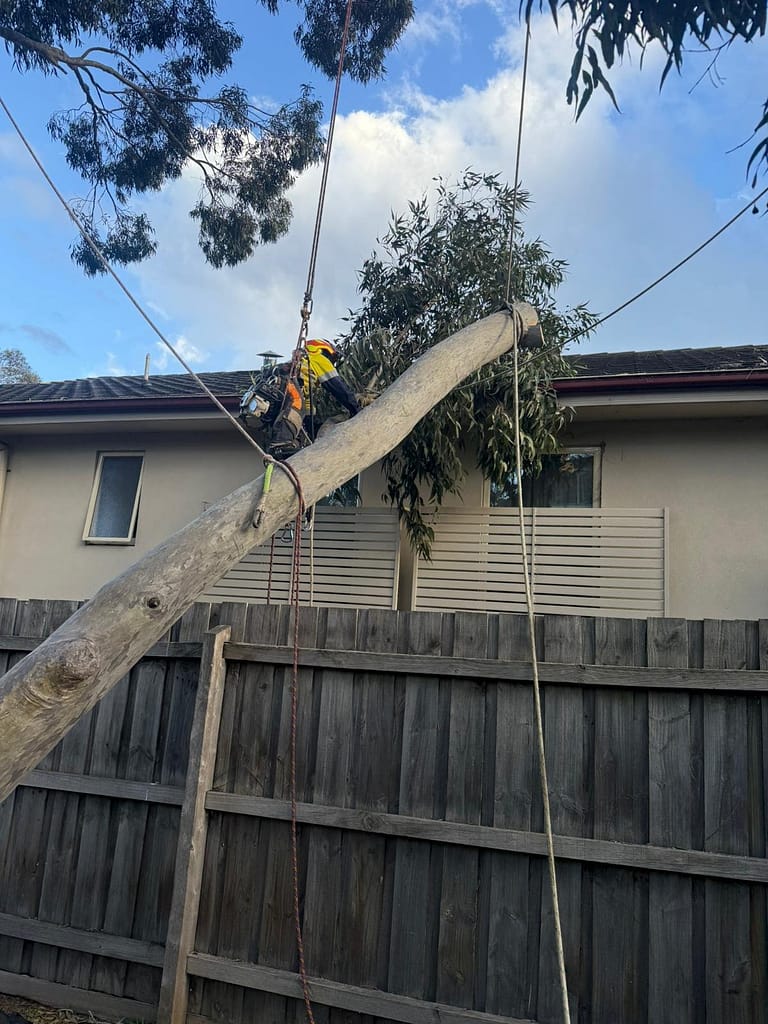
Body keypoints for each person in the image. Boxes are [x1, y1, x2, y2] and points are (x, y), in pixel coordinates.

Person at [268, 338, 360, 458]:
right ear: (324, 350)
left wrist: (314, 435)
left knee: (301, 410)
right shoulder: (318, 358)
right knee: (296, 404)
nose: (332, 362)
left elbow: (308, 411)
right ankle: (281, 445)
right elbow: (339, 389)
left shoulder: (302, 362)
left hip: (277, 387)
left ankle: (286, 446)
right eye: (332, 358)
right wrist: (356, 409)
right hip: (287, 384)